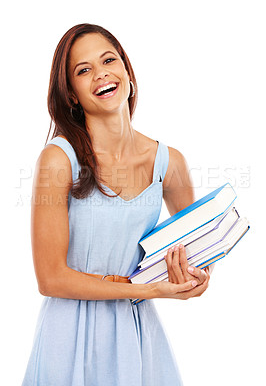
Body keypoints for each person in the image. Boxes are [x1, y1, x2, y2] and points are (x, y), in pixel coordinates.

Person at [22, 23, 211, 386]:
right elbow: (50, 278)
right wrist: (146, 290)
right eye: (83, 70)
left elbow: (197, 250)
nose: (101, 74)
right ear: (72, 94)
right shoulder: (58, 160)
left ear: (126, 69)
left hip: (137, 336)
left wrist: (197, 276)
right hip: (69, 337)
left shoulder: (169, 163)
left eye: (108, 60)